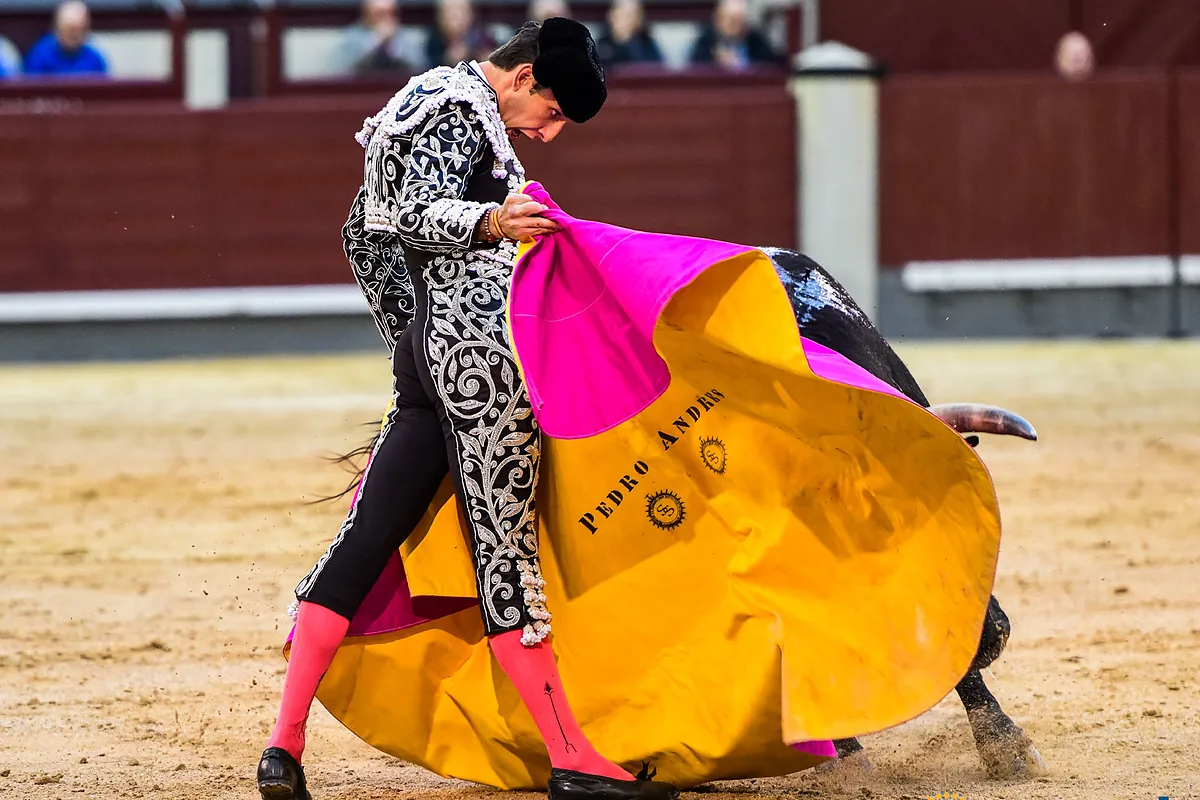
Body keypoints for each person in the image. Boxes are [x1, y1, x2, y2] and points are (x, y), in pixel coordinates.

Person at [256, 17, 678, 800]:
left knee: (366, 540)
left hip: (432, 348)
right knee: (505, 555)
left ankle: (283, 748)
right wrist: (488, 223)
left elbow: (363, 234)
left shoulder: (426, 100)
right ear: (521, 79)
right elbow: (415, 211)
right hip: (482, 354)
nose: (548, 134)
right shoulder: (455, 105)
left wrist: (411, 342)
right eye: (550, 113)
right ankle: (574, 761)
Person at [23, 0, 108, 77]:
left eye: (79, 30)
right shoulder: (39, 57)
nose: (74, 35)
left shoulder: (95, 59)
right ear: (57, 28)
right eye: (70, 30)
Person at [336, 0, 422, 75]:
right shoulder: (353, 35)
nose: (386, 19)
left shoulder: (407, 36)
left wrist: (394, 47)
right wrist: (376, 41)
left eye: (391, 14)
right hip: (362, 89)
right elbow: (345, 70)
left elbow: (419, 68)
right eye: (380, 14)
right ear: (367, 15)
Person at [688, 0, 780, 70]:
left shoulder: (756, 41)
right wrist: (717, 64)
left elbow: (770, 68)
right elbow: (695, 68)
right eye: (732, 20)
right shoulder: (706, 41)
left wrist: (743, 64)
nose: (737, 26)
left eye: (741, 20)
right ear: (718, 20)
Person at [424, 0, 496, 68]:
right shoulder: (435, 39)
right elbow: (431, 64)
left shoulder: (482, 36)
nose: (456, 16)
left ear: (472, 14)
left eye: (461, 11)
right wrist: (447, 60)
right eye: (449, 12)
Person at [595, 0, 662, 67]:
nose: (623, 20)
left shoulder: (647, 43)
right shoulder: (601, 45)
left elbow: (658, 68)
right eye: (621, 14)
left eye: (629, 15)